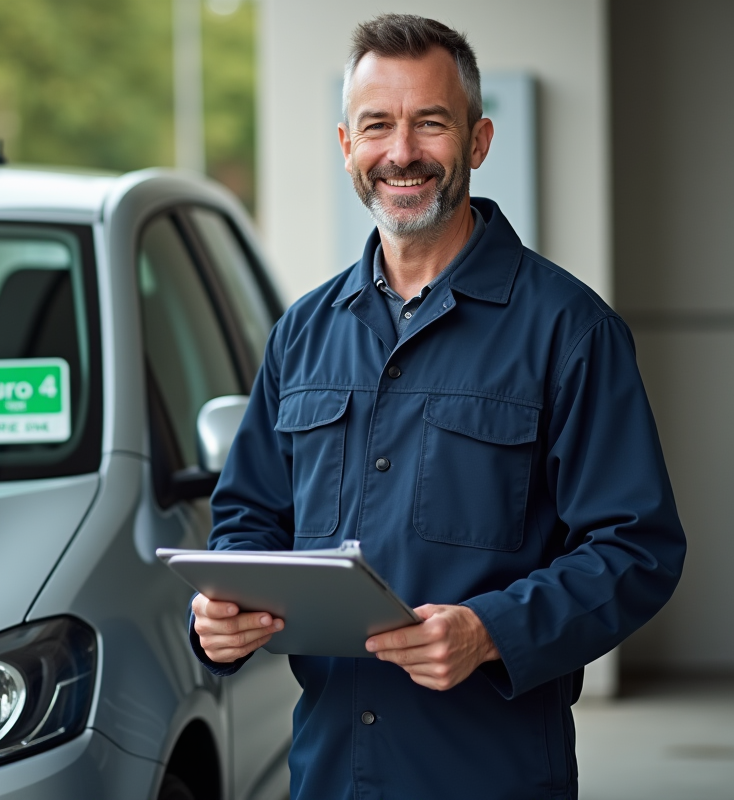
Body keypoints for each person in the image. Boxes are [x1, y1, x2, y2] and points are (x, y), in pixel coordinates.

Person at [189, 13, 685, 800]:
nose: (402, 152)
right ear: (347, 147)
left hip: (491, 778)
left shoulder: (571, 332)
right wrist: (217, 621)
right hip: (329, 778)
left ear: (479, 142)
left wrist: (493, 631)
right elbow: (250, 519)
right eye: (377, 126)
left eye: (430, 123)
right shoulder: (303, 335)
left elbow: (637, 551)